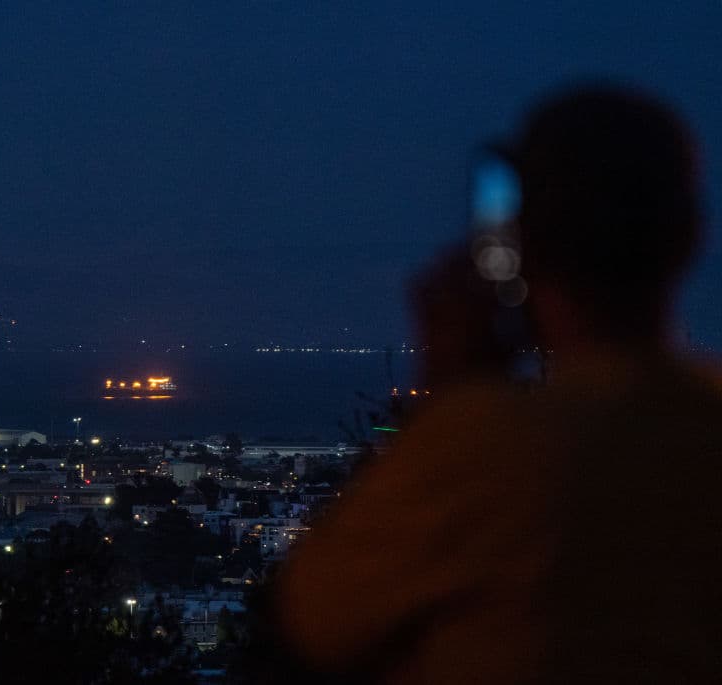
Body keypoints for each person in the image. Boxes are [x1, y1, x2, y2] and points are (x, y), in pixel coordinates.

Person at [278, 85, 722, 682]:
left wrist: (452, 391)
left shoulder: (492, 450)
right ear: (691, 236)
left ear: (518, 243)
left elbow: (316, 619)